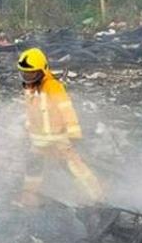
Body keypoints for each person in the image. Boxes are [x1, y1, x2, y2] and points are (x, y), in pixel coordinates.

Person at [16, 48, 103, 206]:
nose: (28, 78)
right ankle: (29, 196)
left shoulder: (53, 86)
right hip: (39, 140)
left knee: (73, 167)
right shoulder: (29, 89)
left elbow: (66, 109)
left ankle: (96, 197)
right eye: (25, 74)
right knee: (33, 166)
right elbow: (31, 111)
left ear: (42, 70)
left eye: (32, 74)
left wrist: (74, 133)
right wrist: (28, 128)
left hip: (58, 138)